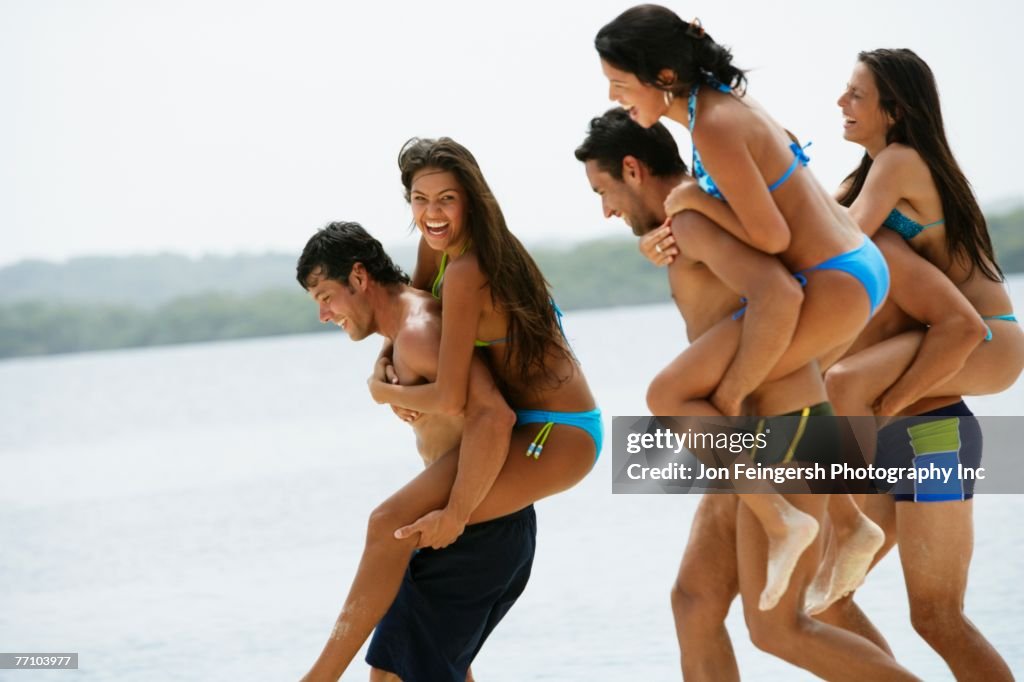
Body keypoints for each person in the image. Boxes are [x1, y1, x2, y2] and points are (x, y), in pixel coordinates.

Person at [575, 109, 916, 682]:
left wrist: (729, 394)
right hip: (743, 439)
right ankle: (842, 515)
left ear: (632, 169)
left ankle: (825, 517)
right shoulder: (693, 214)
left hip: (781, 430)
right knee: (694, 602)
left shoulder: (692, 217)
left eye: (603, 191)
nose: (605, 209)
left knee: (780, 629)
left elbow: (780, 295)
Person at [814, 49, 1017, 680]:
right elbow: (805, 227)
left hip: (988, 345)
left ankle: (845, 518)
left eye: (855, 95)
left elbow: (836, 242)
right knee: (827, 605)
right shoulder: (875, 171)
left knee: (938, 616)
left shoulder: (901, 162)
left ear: (894, 110)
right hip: (927, 426)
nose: (841, 104)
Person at [594, 5, 890, 418]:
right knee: (775, 411)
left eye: (619, 83)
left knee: (681, 395)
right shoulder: (722, 98)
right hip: (853, 264)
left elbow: (773, 238)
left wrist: (697, 199)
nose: (613, 96)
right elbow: (781, 151)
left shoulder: (712, 123)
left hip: (833, 278)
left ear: (663, 77)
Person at [297, 222, 532, 681]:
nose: (324, 313)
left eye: (326, 295)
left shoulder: (418, 333)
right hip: (486, 530)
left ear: (360, 278)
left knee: (392, 676)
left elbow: (495, 416)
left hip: (477, 529)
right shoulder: (406, 330)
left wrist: (460, 512)